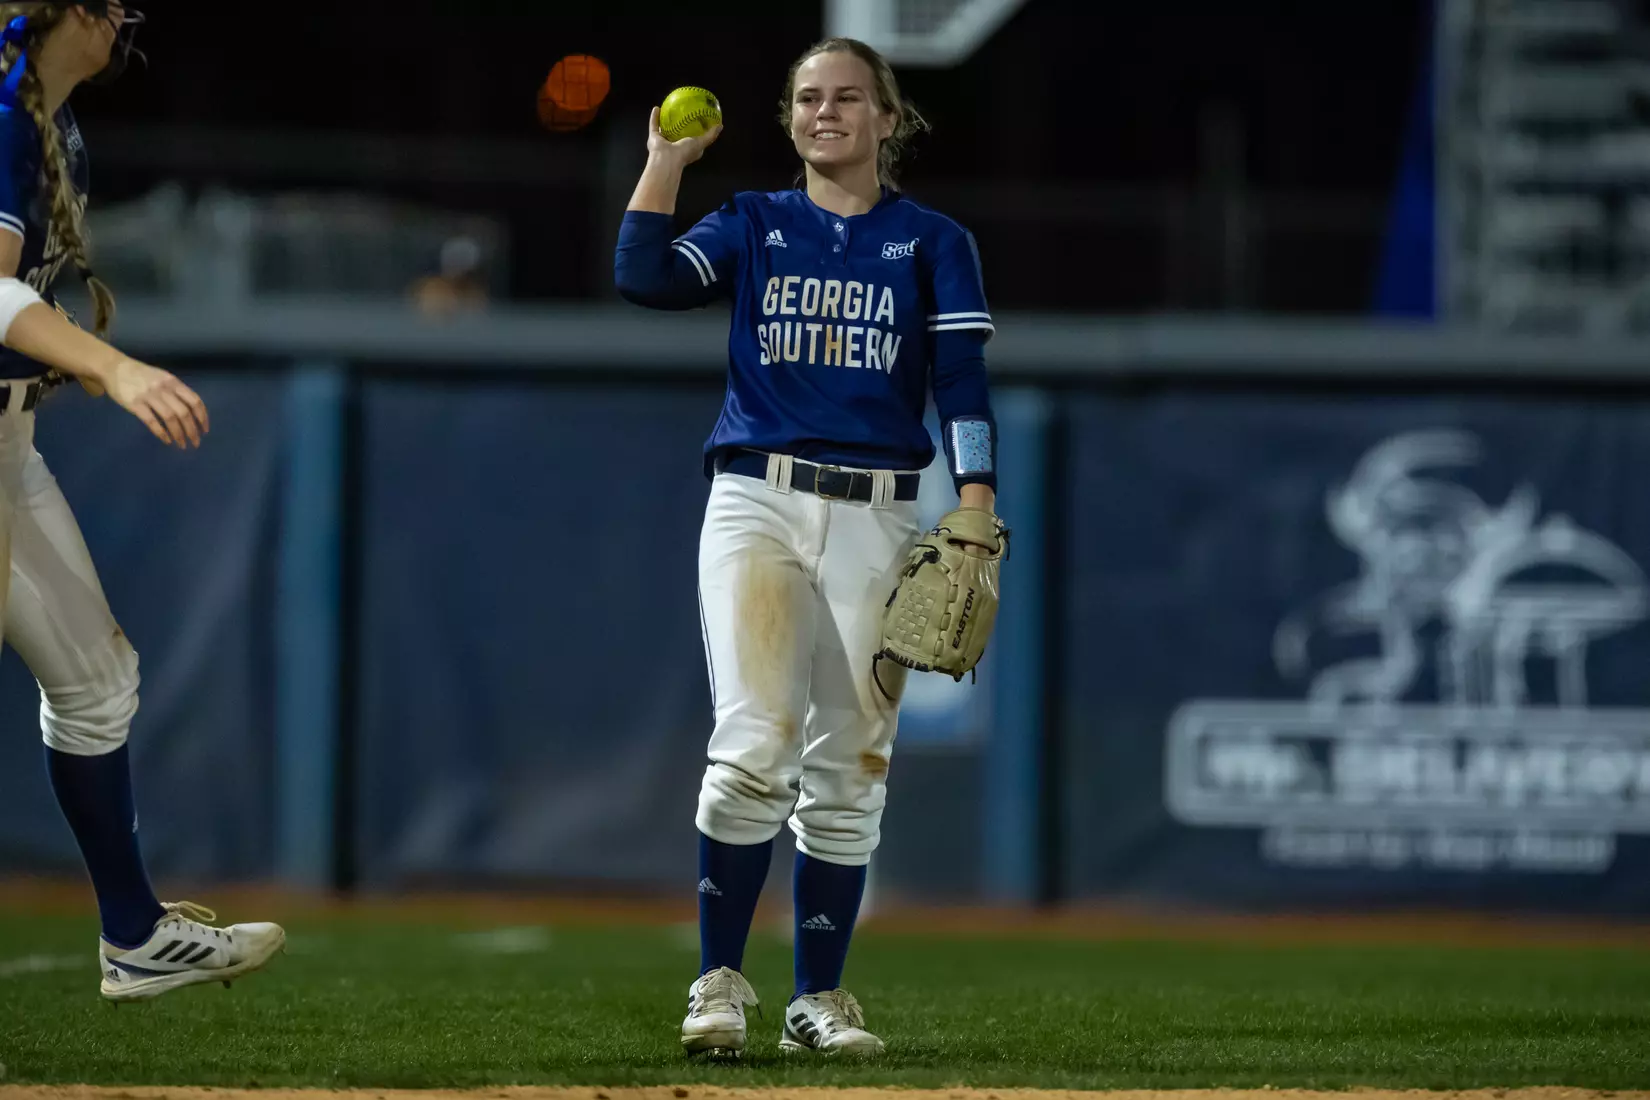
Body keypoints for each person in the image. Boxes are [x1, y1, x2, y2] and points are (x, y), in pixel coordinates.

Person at [614, 36, 1004, 1057]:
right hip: (760, 499)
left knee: (851, 772)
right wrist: (664, 158)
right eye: (806, 100)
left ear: (888, 118)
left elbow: (960, 380)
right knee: (751, 749)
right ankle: (717, 983)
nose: (824, 114)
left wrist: (973, 503)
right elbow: (644, 277)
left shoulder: (931, 240)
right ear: (788, 121)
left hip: (879, 513)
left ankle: (815, 1000)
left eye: (846, 98)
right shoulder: (755, 222)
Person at [0, 0, 284, 1001]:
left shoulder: (52, 119)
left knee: (95, 680)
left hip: (7, 438)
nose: (126, 17)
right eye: (111, 2)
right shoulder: (3, 107)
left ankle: (132, 933)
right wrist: (113, 368)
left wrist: (67, 365)